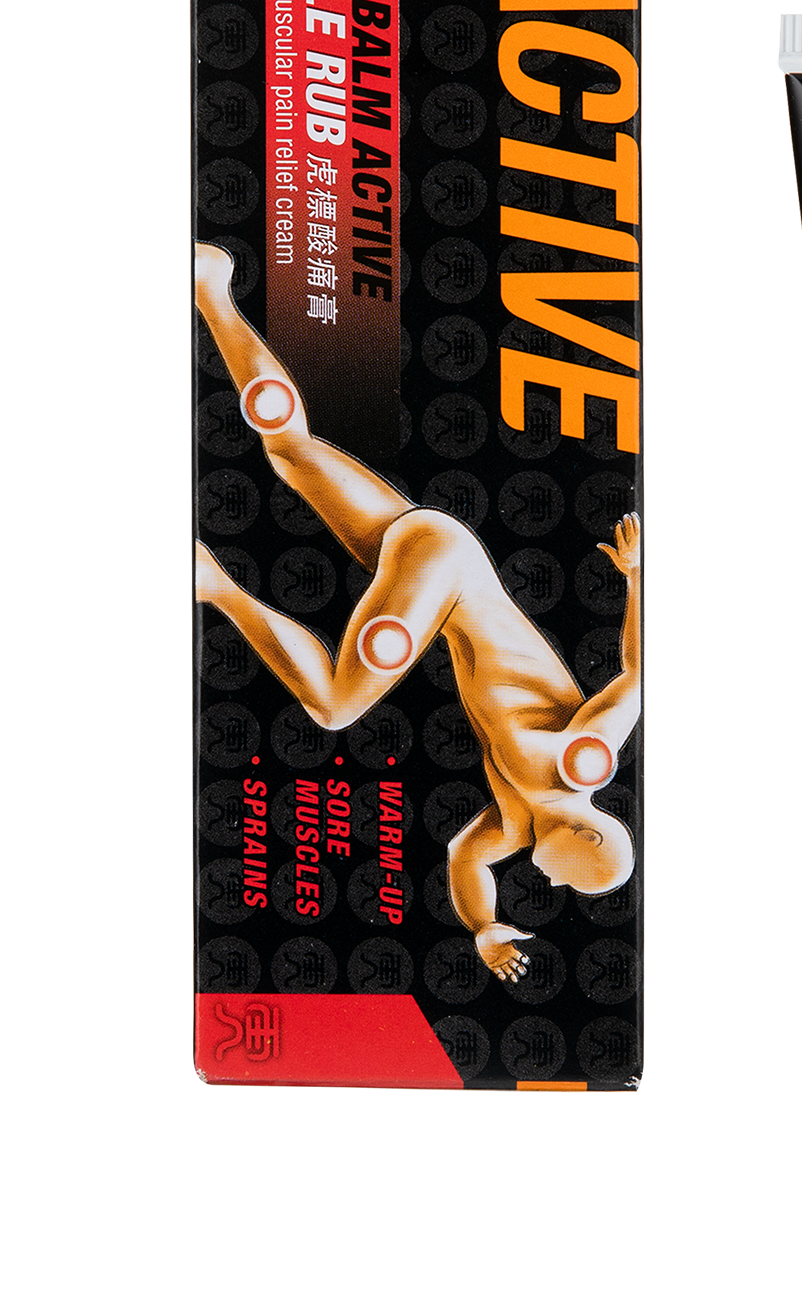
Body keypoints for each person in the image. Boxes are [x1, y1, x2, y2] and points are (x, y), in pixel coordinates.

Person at [193, 241, 639, 982]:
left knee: (290, 451)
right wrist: (635, 579)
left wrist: (484, 926)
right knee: (336, 704)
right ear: (591, 839)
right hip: (446, 578)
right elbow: (636, 674)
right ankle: (216, 584)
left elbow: (466, 860)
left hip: (440, 554)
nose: (555, 884)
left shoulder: (519, 820)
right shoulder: (579, 762)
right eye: (575, 878)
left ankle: (212, 288)